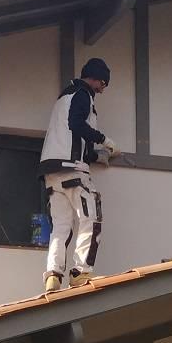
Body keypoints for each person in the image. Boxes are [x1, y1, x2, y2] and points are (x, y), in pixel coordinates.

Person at [39, 58, 119, 295]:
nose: (102, 90)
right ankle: (80, 272)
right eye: (103, 84)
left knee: (61, 226)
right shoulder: (82, 94)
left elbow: (71, 134)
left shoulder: (64, 97)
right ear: (95, 79)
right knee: (91, 215)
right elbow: (76, 125)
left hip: (51, 172)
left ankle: (53, 275)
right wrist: (105, 140)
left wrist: (96, 156)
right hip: (71, 167)